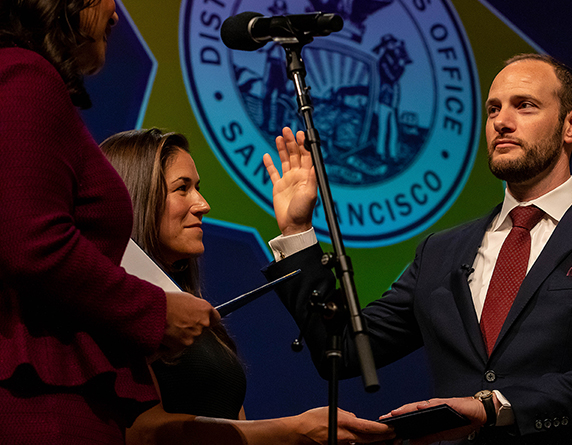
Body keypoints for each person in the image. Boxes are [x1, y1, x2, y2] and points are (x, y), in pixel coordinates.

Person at [261, 53, 572, 444]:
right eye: (493, 109)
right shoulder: (441, 250)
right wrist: (298, 231)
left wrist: (494, 407)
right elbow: (348, 350)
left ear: (571, 124)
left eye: (525, 106)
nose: (502, 121)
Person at [0, 0, 218, 443]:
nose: (115, 11)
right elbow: (31, 242)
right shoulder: (25, 77)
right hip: (36, 408)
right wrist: (152, 312)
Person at [100, 128, 394, 445]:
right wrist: (293, 431)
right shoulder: (112, 311)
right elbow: (138, 432)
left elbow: (235, 429)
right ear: (134, 198)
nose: (203, 204)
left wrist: (296, 229)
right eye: (182, 189)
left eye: (197, 188)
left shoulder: (197, 322)